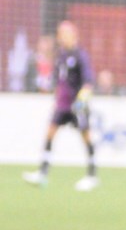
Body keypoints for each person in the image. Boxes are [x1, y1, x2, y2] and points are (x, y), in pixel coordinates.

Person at [22, 20, 99, 191]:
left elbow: (88, 82)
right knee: (50, 133)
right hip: (62, 105)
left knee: (85, 136)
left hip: (76, 105)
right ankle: (42, 173)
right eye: (60, 34)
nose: (61, 37)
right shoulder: (61, 56)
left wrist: (81, 101)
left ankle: (92, 175)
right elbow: (57, 81)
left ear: (73, 35)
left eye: (64, 33)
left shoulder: (80, 55)